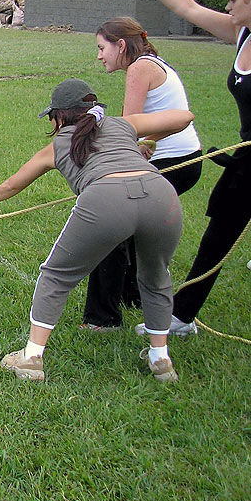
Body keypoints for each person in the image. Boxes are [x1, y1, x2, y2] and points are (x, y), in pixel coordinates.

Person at [0, 79, 193, 382]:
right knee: (156, 276)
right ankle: (161, 360)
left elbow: (14, 183)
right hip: (160, 194)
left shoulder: (56, 146)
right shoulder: (124, 125)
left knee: (56, 274)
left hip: (106, 199)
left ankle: (31, 358)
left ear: (59, 117)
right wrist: (144, 141)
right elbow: (184, 118)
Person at [103, 0, 251, 337]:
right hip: (247, 160)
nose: (228, 7)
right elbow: (187, 9)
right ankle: (182, 317)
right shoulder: (241, 33)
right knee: (217, 236)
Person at [82, 17, 203, 331]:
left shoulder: (139, 68)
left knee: (110, 224)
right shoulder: (152, 62)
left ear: (121, 45)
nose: (99, 56)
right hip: (186, 160)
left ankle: (102, 319)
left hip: (173, 162)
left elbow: (127, 128)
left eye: (101, 48)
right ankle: (132, 295)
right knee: (135, 225)